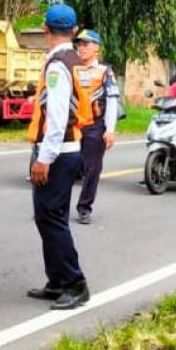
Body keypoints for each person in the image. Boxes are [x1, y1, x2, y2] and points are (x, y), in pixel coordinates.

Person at [26, 3, 93, 311]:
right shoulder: (73, 59)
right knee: (47, 217)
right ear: (75, 31)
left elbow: (55, 116)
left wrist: (44, 158)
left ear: (45, 29)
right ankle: (56, 280)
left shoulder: (57, 65)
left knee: (51, 218)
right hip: (68, 149)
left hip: (59, 150)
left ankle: (74, 282)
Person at [72, 29, 119, 225]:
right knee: (62, 166)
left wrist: (110, 130)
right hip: (72, 126)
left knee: (92, 169)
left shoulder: (104, 72)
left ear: (96, 48)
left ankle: (84, 208)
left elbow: (112, 100)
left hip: (94, 126)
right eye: (79, 44)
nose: (81, 48)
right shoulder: (71, 67)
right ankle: (53, 207)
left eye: (86, 44)